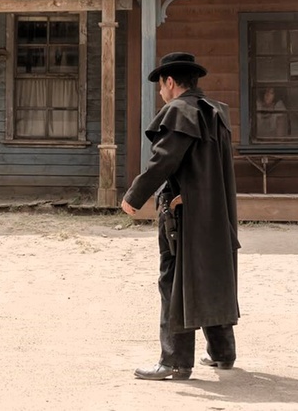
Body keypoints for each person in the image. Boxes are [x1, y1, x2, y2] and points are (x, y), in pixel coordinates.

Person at [120, 52, 240, 381]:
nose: (160, 93)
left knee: (173, 282)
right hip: (217, 214)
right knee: (213, 276)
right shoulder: (216, 112)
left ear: (171, 82)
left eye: (161, 86)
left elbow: (163, 162)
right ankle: (222, 353)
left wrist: (134, 196)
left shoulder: (179, 112)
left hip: (183, 214)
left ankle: (174, 361)